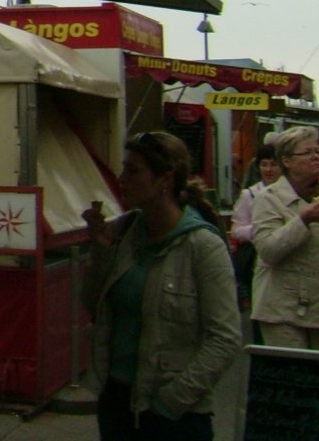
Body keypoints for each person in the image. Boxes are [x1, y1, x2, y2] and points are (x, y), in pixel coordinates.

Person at [82, 131, 241, 441]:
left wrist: (172, 401)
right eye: (123, 168)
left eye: (133, 170)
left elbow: (224, 338)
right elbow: (92, 305)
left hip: (173, 413)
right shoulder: (125, 233)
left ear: (164, 180)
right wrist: (100, 252)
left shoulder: (202, 245)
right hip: (117, 400)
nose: (121, 178)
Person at [250, 124, 319, 349]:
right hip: (283, 311)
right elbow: (268, 251)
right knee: (293, 378)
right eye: (307, 153)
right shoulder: (269, 198)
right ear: (287, 161)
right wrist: (302, 221)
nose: (317, 157)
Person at [228, 135, 280, 313]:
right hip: (254, 258)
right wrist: (259, 229)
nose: (269, 169)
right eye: (264, 164)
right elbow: (236, 230)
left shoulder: (289, 192)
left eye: (273, 164)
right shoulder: (249, 195)